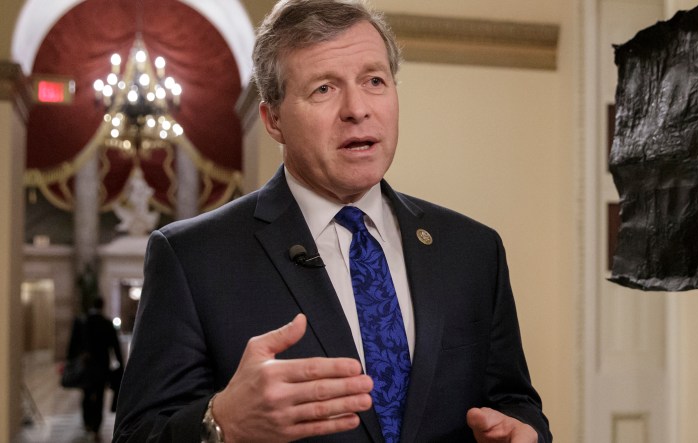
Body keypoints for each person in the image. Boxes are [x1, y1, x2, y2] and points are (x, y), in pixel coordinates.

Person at [114, 1, 551, 442]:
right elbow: (137, 435)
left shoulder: (473, 250)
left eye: (374, 81)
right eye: (324, 88)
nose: (357, 109)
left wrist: (525, 431)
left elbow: (515, 401)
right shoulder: (193, 258)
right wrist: (221, 422)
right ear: (273, 120)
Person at [66, 296, 124, 441]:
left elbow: (73, 346)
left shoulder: (82, 322)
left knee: (86, 394)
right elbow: (115, 347)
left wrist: (70, 361)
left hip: (86, 367)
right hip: (101, 367)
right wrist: (121, 365)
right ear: (103, 306)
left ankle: (87, 423)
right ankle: (96, 427)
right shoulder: (106, 323)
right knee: (99, 397)